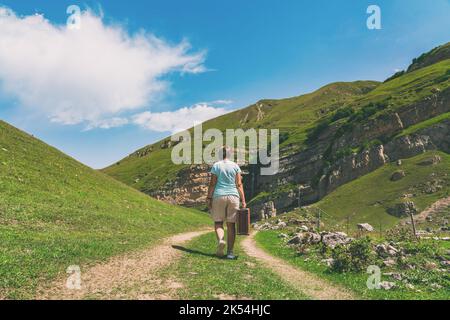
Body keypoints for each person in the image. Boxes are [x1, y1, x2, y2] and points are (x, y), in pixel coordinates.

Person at [207, 146, 246, 259]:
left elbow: (212, 184)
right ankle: (230, 253)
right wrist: (243, 200)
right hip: (233, 196)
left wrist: (209, 198)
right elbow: (239, 184)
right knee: (231, 225)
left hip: (219, 196)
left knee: (218, 222)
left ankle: (221, 240)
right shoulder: (235, 166)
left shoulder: (216, 166)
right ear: (230, 155)